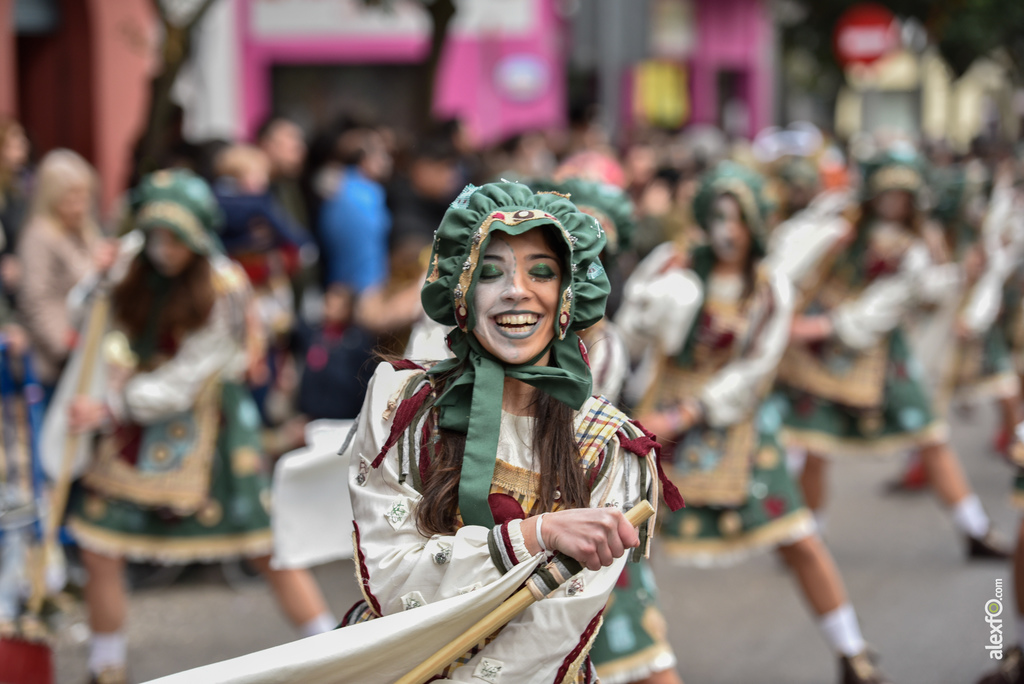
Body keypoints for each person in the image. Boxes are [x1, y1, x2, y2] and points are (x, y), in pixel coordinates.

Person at [342, 181, 681, 682]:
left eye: (541, 272)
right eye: (491, 271)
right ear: (461, 288)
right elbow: (392, 578)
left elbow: (550, 632)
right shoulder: (401, 403)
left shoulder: (611, 445)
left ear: (569, 293)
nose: (516, 289)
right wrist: (533, 534)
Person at [56, 170, 334, 684]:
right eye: (156, 233)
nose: (164, 248)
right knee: (97, 541)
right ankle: (104, 666)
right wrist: (97, 277)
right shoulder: (131, 256)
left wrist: (111, 407)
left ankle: (337, 651)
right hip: (134, 421)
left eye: (175, 237)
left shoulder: (223, 286)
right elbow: (84, 318)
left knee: (266, 546)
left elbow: (186, 380)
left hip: (210, 425)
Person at [620, 162, 890, 684]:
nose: (727, 230)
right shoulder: (671, 266)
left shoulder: (771, 290)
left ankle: (853, 653)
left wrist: (689, 412)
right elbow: (630, 333)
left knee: (798, 535)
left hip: (731, 423)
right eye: (717, 216)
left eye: (738, 218)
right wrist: (662, 291)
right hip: (658, 420)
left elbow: (755, 370)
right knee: (627, 543)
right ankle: (633, 659)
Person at [774, 149, 1007, 558]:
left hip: (878, 354)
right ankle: (810, 535)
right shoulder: (837, 219)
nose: (894, 202)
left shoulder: (914, 247)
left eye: (903, 194)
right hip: (817, 353)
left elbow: (899, 299)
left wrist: (958, 277)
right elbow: (787, 252)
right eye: (887, 191)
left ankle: (974, 528)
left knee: (930, 434)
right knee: (814, 441)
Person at [16, 149, 116, 397]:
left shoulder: (85, 231)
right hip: (57, 361)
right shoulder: (39, 236)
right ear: (52, 197)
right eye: (71, 199)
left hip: (88, 349)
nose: (80, 206)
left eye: (84, 197)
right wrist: (65, 342)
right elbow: (36, 300)